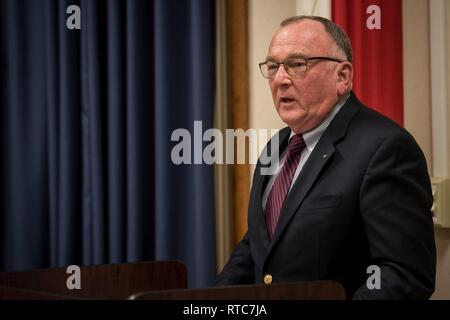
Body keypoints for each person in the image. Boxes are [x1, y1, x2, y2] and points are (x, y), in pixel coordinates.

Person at [215, 15, 436, 299]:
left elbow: (405, 275)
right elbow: (259, 246)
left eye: (296, 64)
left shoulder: (386, 148)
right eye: (273, 67)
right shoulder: (275, 146)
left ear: (342, 76)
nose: (280, 79)